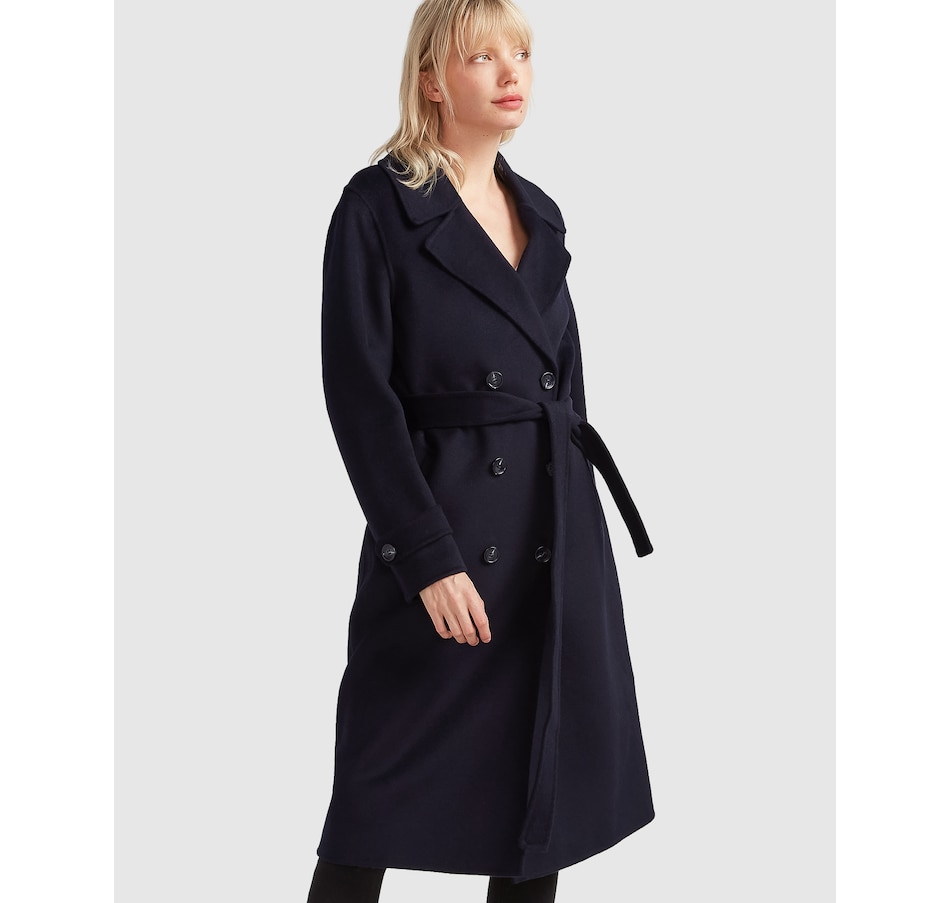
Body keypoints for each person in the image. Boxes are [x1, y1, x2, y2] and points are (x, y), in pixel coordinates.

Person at [307, 1, 656, 900]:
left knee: (538, 810)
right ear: (431, 80)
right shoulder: (379, 207)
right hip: (445, 538)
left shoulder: (540, 213)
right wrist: (425, 556)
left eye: (523, 54)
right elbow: (359, 399)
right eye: (482, 57)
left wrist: (582, 551)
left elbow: (565, 391)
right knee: (372, 805)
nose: (512, 74)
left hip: (551, 542)